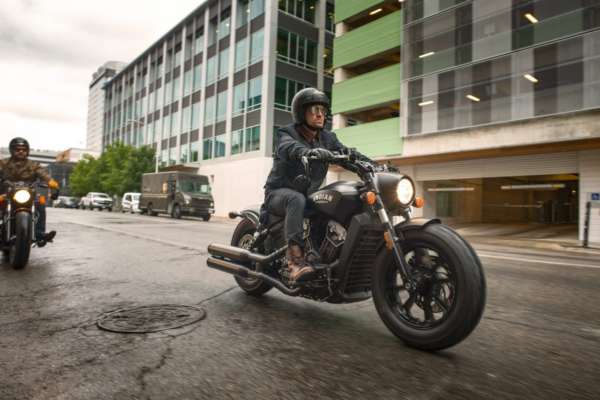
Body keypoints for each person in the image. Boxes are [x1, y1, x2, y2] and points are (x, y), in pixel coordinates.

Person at [263, 88, 372, 283]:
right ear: (301, 113)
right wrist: (307, 152)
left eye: (323, 109)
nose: (320, 114)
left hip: (309, 195)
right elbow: (288, 147)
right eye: (314, 110)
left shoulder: (328, 138)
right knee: (296, 199)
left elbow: (346, 153)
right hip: (279, 193)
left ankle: (320, 254)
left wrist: (372, 165)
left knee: (333, 201)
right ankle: (295, 261)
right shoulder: (287, 133)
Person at [0, 137, 59, 247]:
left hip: (28, 193)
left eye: (23, 149)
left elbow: (43, 174)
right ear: (12, 150)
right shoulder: (3, 163)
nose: (21, 151)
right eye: (18, 149)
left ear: (27, 151)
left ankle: (39, 234)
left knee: (40, 203)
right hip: (7, 192)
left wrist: (53, 183)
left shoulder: (33, 165)